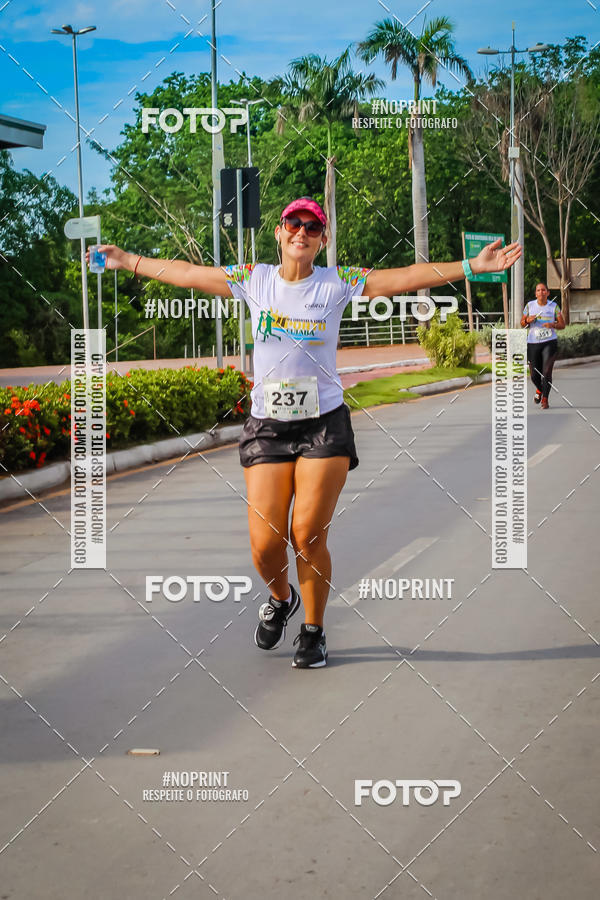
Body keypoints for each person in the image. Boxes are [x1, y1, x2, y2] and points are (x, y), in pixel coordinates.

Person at [92, 197, 521, 668]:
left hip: (324, 425)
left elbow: (400, 278)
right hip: (268, 427)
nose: (302, 232)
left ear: (322, 238)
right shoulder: (253, 279)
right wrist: (126, 260)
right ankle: (281, 598)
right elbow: (190, 274)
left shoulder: (337, 283)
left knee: (307, 534)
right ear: (279, 232)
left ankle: (313, 632)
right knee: (264, 544)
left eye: (312, 227)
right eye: (293, 224)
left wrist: (469, 266)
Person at [521, 283, 565, 409]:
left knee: (546, 372)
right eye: (538, 290)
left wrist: (553, 325)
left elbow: (563, 324)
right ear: (536, 293)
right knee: (534, 375)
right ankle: (540, 389)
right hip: (533, 343)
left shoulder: (554, 306)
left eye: (543, 290)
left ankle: (545, 399)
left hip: (549, 342)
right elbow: (522, 323)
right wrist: (528, 321)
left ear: (548, 292)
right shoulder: (529, 306)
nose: (541, 292)